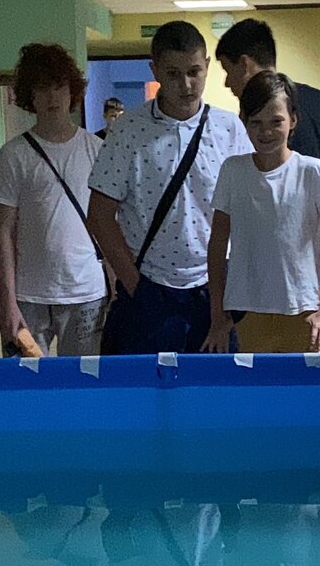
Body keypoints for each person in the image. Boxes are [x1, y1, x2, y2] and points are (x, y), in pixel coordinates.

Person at [87, 21, 250, 354]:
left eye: (194, 72)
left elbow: (249, 211)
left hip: (213, 288)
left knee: (213, 384)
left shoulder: (229, 129)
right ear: (155, 70)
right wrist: (134, 285)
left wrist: (236, 287)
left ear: (207, 66)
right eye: (173, 74)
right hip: (149, 287)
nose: (186, 85)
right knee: (145, 386)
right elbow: (100, 215)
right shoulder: (127, 131)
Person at [215, 18, 320, 351]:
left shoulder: (307, 168)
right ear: (245, 121)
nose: (266, 130)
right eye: (256, 122)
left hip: (312, 278)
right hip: (265, 292)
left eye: (227, 70)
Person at [0, 43, 107, 357]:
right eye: (42, 88)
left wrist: (116, 280)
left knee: (82, 382)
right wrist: (6, 301)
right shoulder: (13, 155)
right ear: (30, 96)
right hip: (29, 296)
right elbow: (4, 232)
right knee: (24, 381)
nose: (53, 97)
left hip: (87, 293)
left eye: (59, 86)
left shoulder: (96, 150)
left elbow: (109, 224)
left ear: (72, 91)